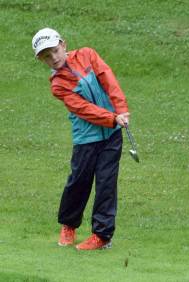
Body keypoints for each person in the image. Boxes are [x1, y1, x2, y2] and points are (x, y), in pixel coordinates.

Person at [32, 27, 129, 250]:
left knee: (106, 185)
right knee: (79, 182)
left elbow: (108, 79)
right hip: (87, 138)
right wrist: (113, 118)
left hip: (112, 135)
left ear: (63, 45)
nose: (53, 58)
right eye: (47, 56)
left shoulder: (87, 54)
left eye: (55, 51)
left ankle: (102, 236)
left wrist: (121, 110)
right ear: (42, 60)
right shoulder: (58, 85)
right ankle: (68, 225)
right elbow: (84, 109)